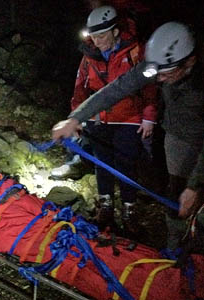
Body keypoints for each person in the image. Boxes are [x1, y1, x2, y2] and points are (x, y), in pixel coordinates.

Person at [52, 22, 204, 250]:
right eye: (157, 73)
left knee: (194, 199)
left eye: (167, 73)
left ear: (190, 61)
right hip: (179, 138)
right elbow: (118, 88)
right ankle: (177, 252)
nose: (159, 80)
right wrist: (75, 118)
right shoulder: (160, 66)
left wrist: (195, 186)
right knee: (177, 197)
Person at [57, 6, 158, 232]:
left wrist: (149, 116)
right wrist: (77, 118)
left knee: (125, 165)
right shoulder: (89, 57)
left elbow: (149, 86)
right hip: (98, 119)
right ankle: (106, 207)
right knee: (101, 164)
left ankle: (129, 210)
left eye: (102, 35)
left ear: (114, 31)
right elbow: (79, 88)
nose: (97, 40)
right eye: (93, 36)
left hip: (128, 117)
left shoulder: (135, 51)